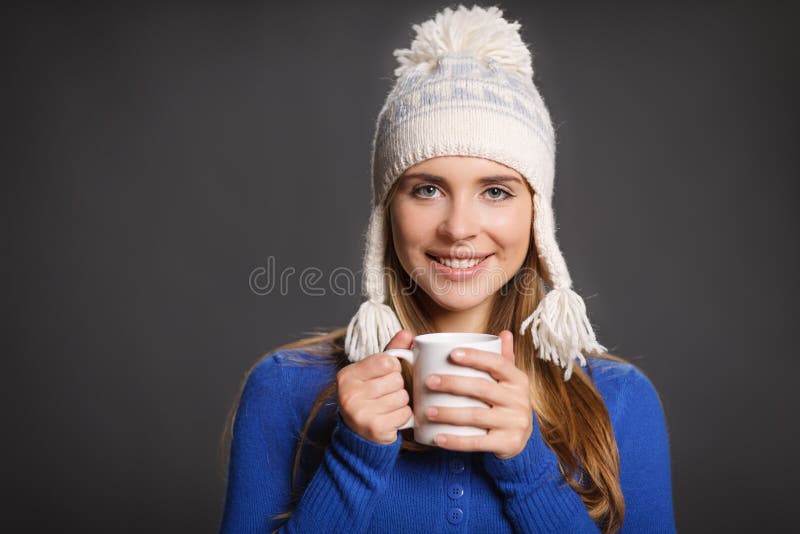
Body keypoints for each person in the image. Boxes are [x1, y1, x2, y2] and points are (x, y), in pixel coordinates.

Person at [219, 4, 676, 533]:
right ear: (386, 211)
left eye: (497, 191)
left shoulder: (618, 402)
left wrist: (527, 464)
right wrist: (354, 457)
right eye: (427, 189)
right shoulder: (284, 390)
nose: (459, 227)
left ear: (537, 216)